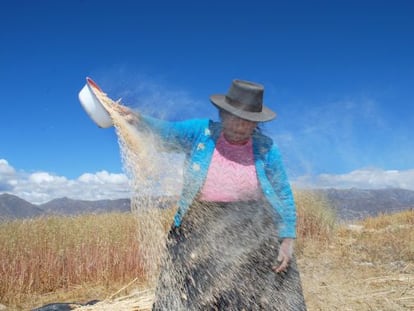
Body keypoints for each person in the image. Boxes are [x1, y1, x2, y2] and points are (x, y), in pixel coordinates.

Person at [115, 79, 306, 310]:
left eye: (247, 121)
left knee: (260, 291)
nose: (239, 125)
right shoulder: (201, 133)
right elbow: (167, 132)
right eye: (233, 117)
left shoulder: (266, 148)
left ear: (256, 124)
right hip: (200, 222)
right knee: (189, 290)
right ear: (222, 115)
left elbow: (282, 192)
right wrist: (138, 119)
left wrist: (287, 238)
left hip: (252, 224)